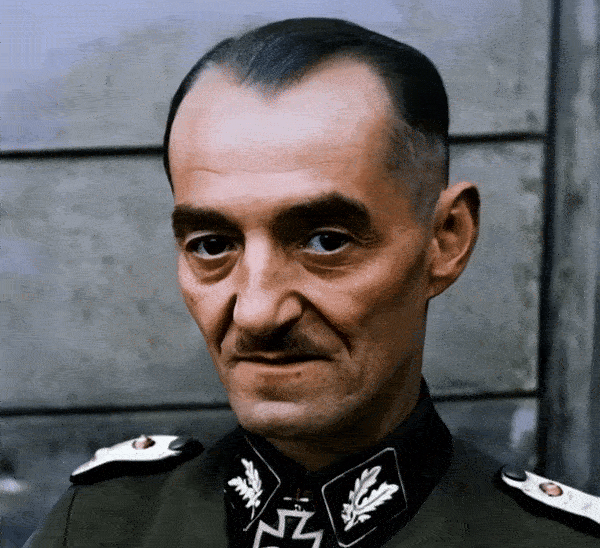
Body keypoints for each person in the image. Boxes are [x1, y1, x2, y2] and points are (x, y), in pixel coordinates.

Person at [24, 18, 599, 547]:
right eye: (213, 245)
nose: (257, 312)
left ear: (445, 239)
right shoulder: (99, 528)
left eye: (326, 241)